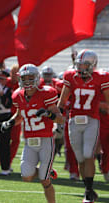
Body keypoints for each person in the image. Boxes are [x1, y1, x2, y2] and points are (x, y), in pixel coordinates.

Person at [1, 64, 64, 203]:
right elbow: (19, 115)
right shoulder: (17, 95)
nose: (28, 81)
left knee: (44, 180)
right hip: (29, 141)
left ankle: (47, 180)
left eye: (31, 78)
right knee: (26, 176)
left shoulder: (46, 93)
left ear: (37, 78)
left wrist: (48, 114)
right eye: (24, 78)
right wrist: (9, 123)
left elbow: (60, 118)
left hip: (45, 140)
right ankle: (46, 171)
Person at [57, 49, 109, 202]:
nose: (81, 68)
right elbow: (62, 101)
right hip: (74, 120)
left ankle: (88, 191)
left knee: (88, 154)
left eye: (85, 65)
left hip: (92, 120)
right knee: (80, 157)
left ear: (93, 65)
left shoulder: (102, 78)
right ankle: (88, 188)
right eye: (79, 65)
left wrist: (97, 105)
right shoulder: (70, 76)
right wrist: (56, 118)